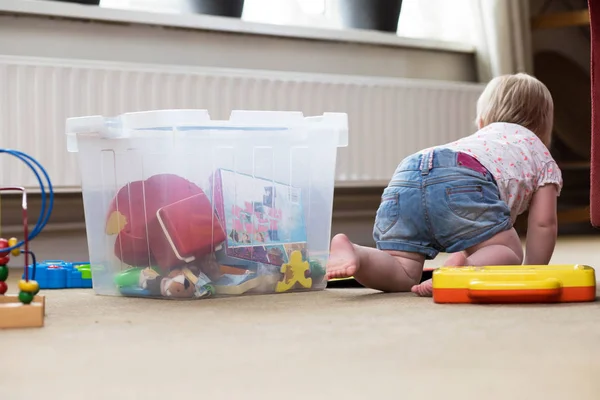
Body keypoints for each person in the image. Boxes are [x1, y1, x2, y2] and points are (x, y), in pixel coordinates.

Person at [326, 73, 563, 297]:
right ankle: (464, 268)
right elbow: (543, 223)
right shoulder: (539, 153)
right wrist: (532, 270)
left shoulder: (480, 140)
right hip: (461, 176)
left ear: (482, 121)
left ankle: (358, 254)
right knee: (508, 252)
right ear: (544, 128)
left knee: (403, 270)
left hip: (408, 172)